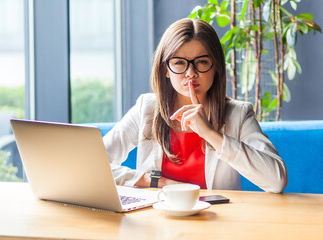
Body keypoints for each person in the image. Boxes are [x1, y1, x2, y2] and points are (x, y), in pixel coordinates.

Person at [103, 18, 287, 193]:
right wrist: (154, 181)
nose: (190, 73)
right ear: (166, 70)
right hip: (156, 219)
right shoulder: (147, 109)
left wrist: (210, 133)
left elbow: (276, 181)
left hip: (218, 221)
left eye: (201, 62)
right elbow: (93, 164)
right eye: (179, 63)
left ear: (216, 67)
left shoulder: (238, 114)